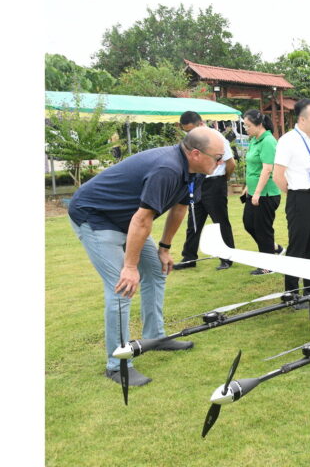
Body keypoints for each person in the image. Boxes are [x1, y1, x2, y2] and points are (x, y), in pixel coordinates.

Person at [68, 127, 224, 386]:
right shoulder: (168, 169)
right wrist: (129, 266)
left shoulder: (194, 172)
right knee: (122, 287)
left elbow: (179, 209)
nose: (220, 163)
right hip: (95, 216)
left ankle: (155, 338)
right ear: (196, 153)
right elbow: (142, 219)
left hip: (127, 219)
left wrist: (164, 248)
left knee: (156, 270)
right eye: (217, 157)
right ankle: (118, 365)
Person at [273, 99, 310, 295]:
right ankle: (291, 292)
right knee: (298, 246)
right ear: (302, 119)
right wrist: (295, 193)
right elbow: (278, 176)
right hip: (299, 198)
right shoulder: (288, 140)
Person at [174, 111, 237, 271]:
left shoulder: (217, 138)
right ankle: (189, 257)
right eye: (186, 131)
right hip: (197, 182)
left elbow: (231, 164)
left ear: (201, 124)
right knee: (194, 220)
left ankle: (227, 257)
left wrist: (223, 180)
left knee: (220, 221)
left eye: (191, 130)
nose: (189, 134)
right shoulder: (191, 141)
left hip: (215, 182)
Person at [242, 109, 285, 275]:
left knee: (263, 228)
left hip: (267, 194)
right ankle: (275, 248)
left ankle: (268, 265)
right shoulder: (255, 139)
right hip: (253, 191)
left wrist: (258, 192)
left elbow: (267, 169)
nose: (246, 129)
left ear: (259, 125)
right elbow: (254, 167)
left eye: (248, 126)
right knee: (249, 223)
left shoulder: (268, 141)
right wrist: (248, 187)